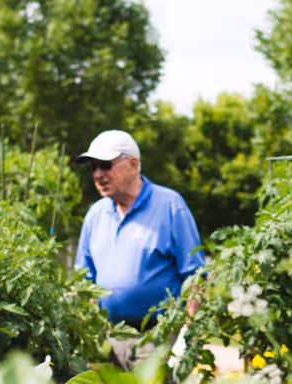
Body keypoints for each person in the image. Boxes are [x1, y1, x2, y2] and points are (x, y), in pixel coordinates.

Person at [74, 130, 205, 369]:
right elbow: (84, 279)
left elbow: (195, 275)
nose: (98, 175)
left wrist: (187, 333)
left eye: (105, 165)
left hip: (157, 339)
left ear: (133, 163)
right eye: (93, 168)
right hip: (108, 339)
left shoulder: (169, 206)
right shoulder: (95, 214)